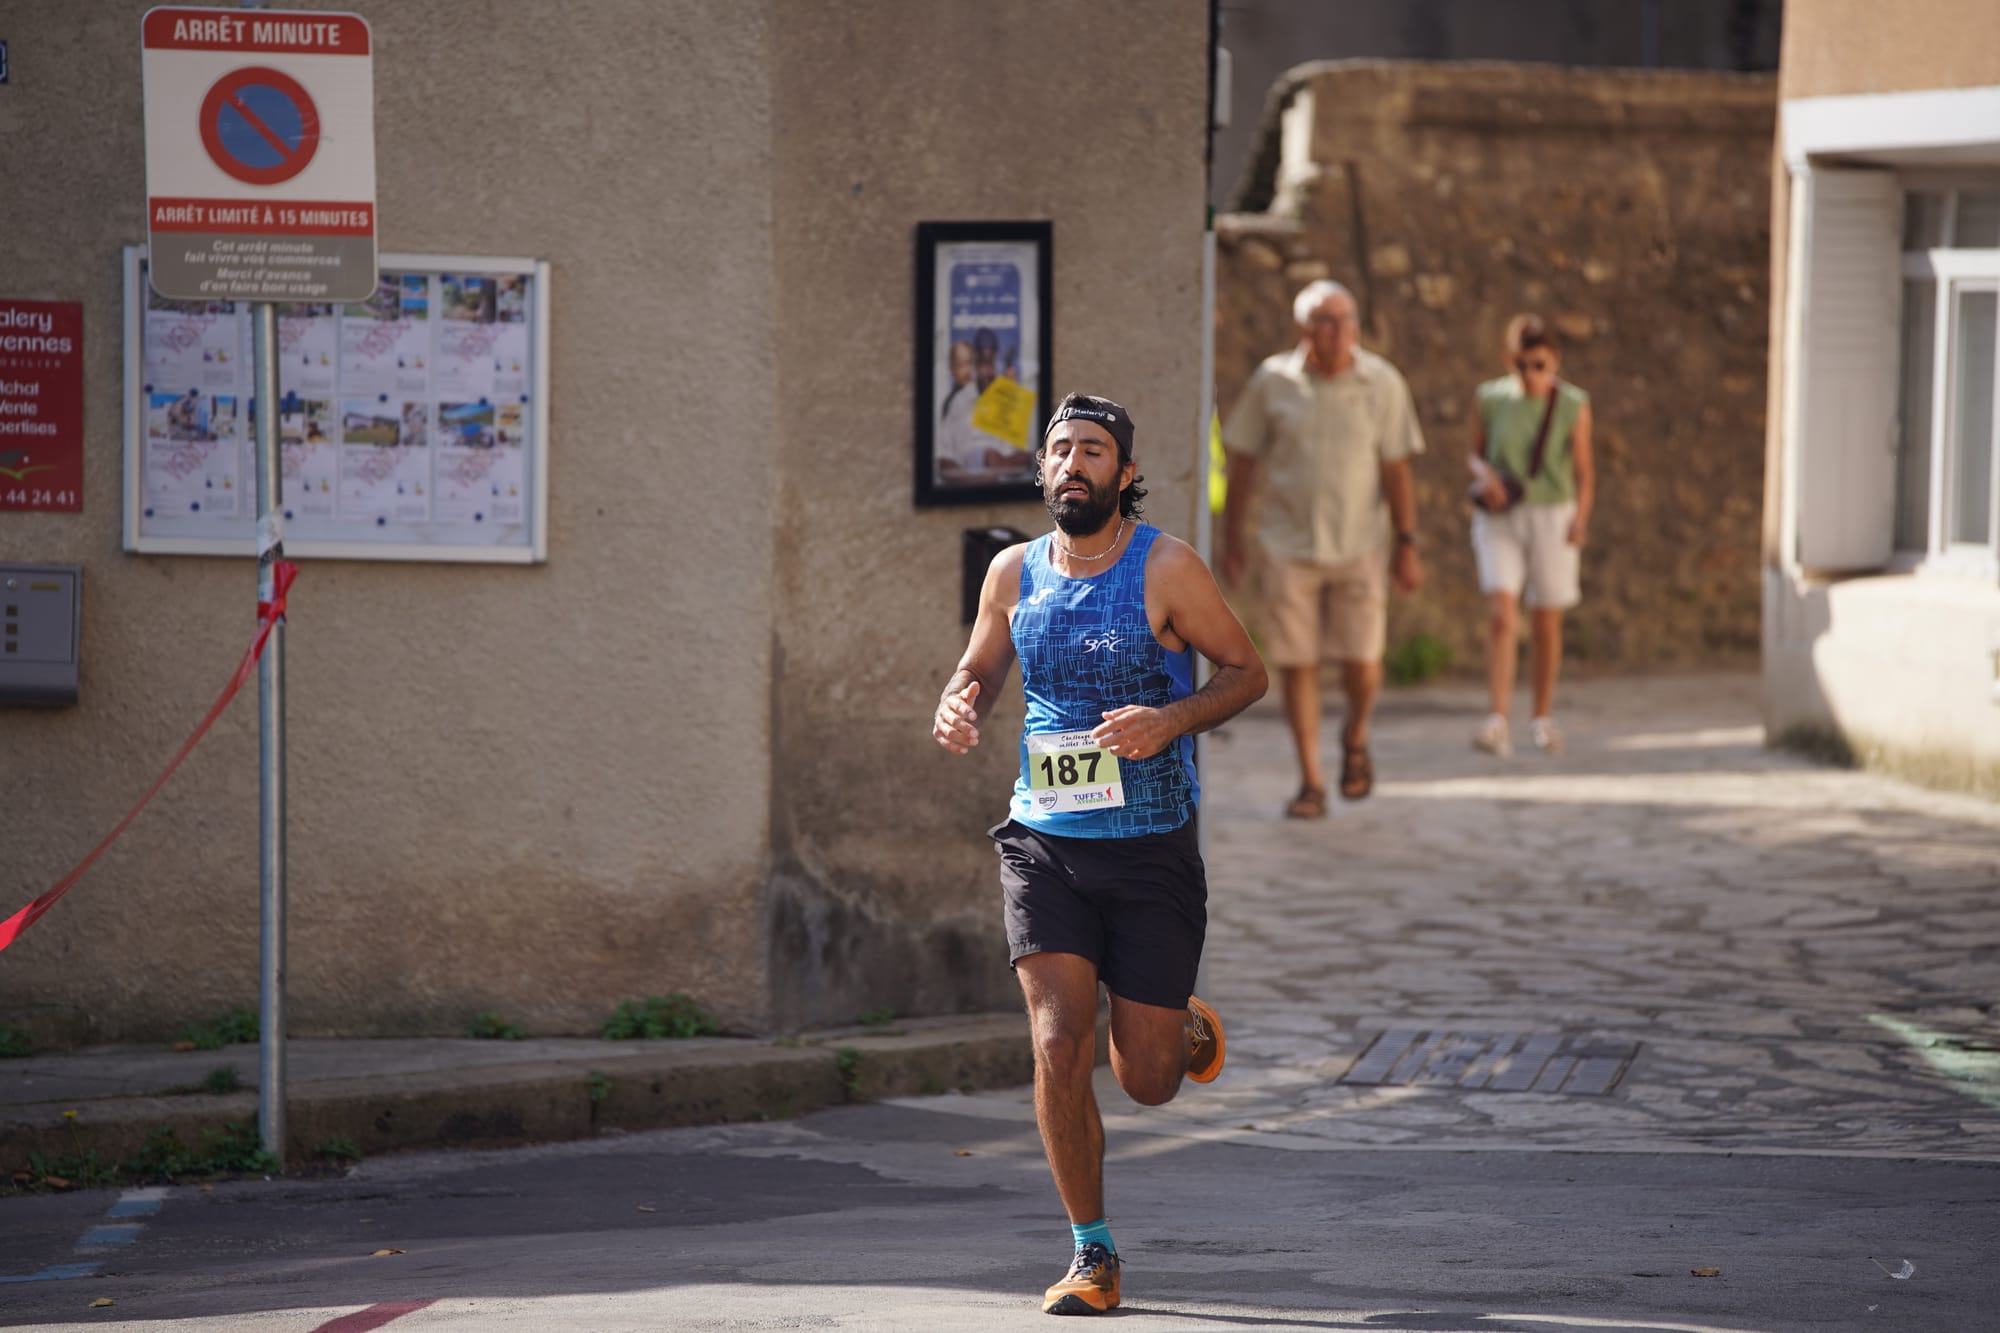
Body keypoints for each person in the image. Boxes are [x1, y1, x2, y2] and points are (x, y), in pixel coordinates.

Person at [933, 393, 1267, 1316]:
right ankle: (1093, 1250)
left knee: (1147, 1077)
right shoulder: (1012, 571)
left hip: (1151, 849)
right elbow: (981, 668)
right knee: (1055, 1041)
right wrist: (957, 701)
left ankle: (1180, 1027)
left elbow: (1248, 671)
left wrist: (1171, 719)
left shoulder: (1167, 566)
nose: (1073, 464)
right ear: (1042, 471)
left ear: (1123, 473)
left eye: (1093, 451)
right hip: (1044, 842)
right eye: (1060, 451)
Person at [1221, 279, 1424, 816]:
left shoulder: (1382, 383)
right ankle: (1311, 780)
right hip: (1288, 544)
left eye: (1345, 319)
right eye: (1324, 321)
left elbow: (1397, 467)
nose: (1336, 332)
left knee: (1364, 660)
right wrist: (1233, 539)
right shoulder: (1273, 380)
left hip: (1362, 543)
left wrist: (1408, 542)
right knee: (1298, 662)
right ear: (1302, 329)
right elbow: (1242, 462)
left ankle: (1355, 734)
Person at [1467, 314, 1594, 756]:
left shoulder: (1574, 404)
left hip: (1552, 515)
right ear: (1509, 360)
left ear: (1554, 361)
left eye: (1539, 365)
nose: (1530, 375)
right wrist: (1486, 478)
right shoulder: (1489, 397)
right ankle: (1497, 719)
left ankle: (1541, 715)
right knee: (1502, 613)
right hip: (1500, 516)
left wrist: (1580, 517)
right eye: (1522, 365)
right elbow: (1474, 453)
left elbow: (1583, 469)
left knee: (1546, 620)